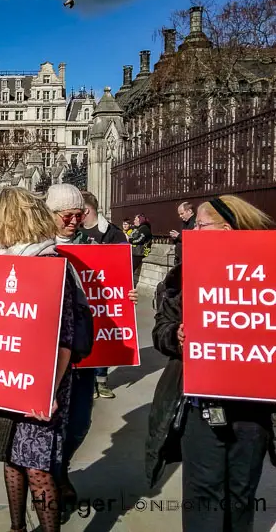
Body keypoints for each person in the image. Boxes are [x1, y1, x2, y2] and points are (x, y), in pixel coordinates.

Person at [147, 195, 274, 532]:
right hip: (199, 402)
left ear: (227, 229)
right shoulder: (183, 276)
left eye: (201, 225)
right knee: (203, 491)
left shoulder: (268, 273)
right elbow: (160, 331)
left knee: (240, 493)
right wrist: (176, 335)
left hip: (251, 409)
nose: (193, 232)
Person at [0, 187, 76, 532]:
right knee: (10, 455)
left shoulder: (50, 263)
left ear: (12, 218)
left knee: (37, 467)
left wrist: (49, 391)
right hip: (5, 377)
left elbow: (65, 339)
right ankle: (16, 528)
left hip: (41, 384)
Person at [45, 185, 138, 516]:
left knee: (80, 422)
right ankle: (52, 479)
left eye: (78, 215)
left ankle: (62, 467)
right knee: (49, 424)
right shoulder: (37, 247)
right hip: (48, 352)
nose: (74, 221)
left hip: (83, 353)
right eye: (67, 215)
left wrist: (124, 297)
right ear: (51, 214)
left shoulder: (95, 246)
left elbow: (111, 288)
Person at [77, 191, 125, 400]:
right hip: (82, 294)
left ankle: (102, 380)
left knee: (103, 333)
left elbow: (123, 263)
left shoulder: (112, 233)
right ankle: (85, 379)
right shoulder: (77, 234)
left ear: (86, 210)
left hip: (105, 294)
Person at [129, 213, 152, 285]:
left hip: (140, 253)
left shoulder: (144, 228)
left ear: (140, 220)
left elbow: (139, 239)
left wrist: (129, 240)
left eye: (135, 219)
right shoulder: (137, 228)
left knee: (130, 270)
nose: (134, 221)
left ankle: (129, 286)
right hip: (134, 252)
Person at [170, 202, 195, 266]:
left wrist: (178, 236)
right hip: (181, 259)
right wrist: (175, 238)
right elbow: (182, 239)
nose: (180, 216)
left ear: (190, 211)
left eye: (182, 213)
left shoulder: (195, 222)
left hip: (189, 259)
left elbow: (191, 239)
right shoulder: (185, 222)